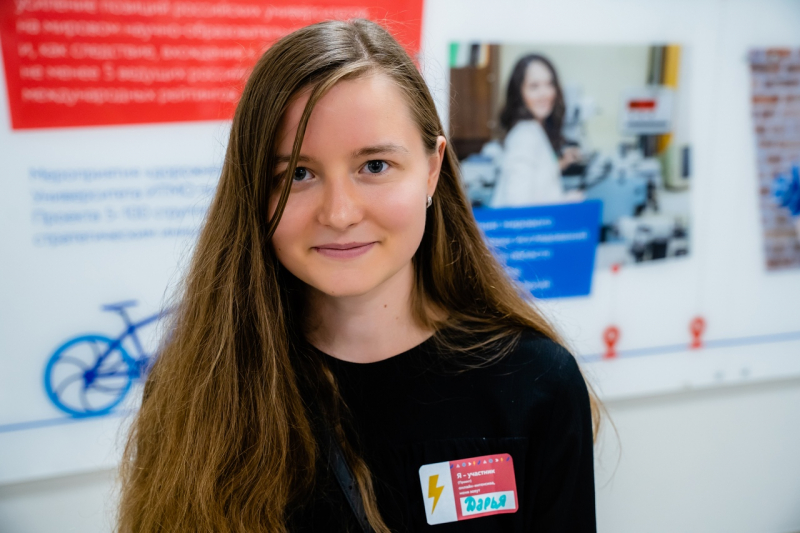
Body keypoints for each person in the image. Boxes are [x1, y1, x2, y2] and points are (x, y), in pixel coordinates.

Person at [118, 19, 599, 532]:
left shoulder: (536, 383)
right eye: (298, 174)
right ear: (254, 190)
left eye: (374, 166)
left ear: (432, 169)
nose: (340, 213)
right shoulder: (196, 391)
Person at [491, 54, 583, 207]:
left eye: (549, 84)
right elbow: (517, 205)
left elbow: (535, 179)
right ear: (519, 93)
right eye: (534, 86)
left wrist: (559, 164)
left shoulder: (534, 129)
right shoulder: (525, 135)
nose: (545, 94)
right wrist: (566, 201)